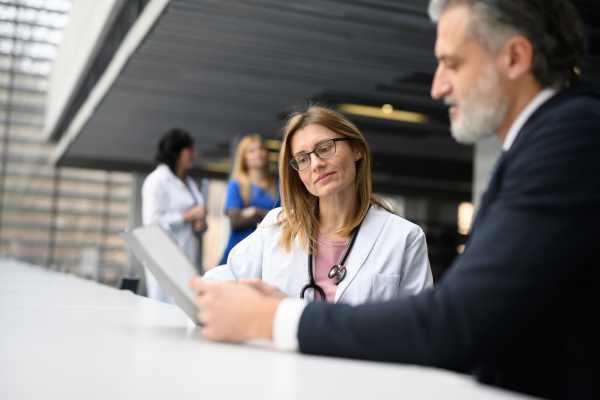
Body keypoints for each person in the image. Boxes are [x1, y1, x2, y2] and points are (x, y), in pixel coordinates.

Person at [189, 0, 600, 399]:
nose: (438, 86)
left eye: (452, 63)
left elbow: (454, 323)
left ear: (514, 57)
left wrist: (274, 318)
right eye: (301, 160)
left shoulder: (570, 138)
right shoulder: (542, 141)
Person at [204, 107, 433, 304]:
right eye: (302, 159)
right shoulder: (276, 226)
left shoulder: (405, 238)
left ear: (357, 149)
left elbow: (419, 328)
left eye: (325, 148)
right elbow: (213, 288)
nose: (316, 164)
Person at [142, 128, 206, 304]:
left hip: (187, 256)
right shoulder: (156, 181)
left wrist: (198, 224)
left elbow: (194, 218)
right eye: (189, 149)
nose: (195, 153)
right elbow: (151, 224)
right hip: (164, 258)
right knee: (163, 310)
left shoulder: (190, 182)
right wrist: (187, 216)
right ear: (174, 152)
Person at [219, 134, 280, 265]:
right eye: (252, 151)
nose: (258, 153)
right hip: (239, 252)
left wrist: (253, 212)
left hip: (268, 254)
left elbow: (284, 219)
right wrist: (270, 216)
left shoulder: (278, 186)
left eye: (261, 148)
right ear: (244, 159)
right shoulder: (236, 185)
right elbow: (235, 220)